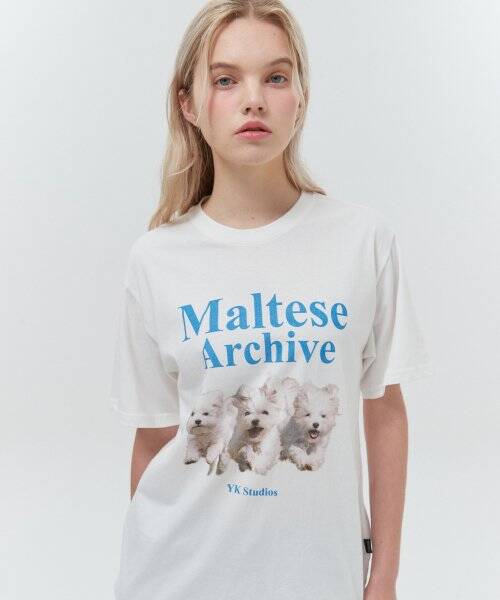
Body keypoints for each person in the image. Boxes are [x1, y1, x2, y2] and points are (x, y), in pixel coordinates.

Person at [108, 1, 433, 599]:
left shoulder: (362, 241)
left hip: (318, 578)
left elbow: (385, 412)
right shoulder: (155, 259)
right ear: (189, 104)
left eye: (276, 77)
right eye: (225, 80)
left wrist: (383, 576)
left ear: (300, 98)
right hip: (177, 578)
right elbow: (153, 439)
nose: (253, 100)